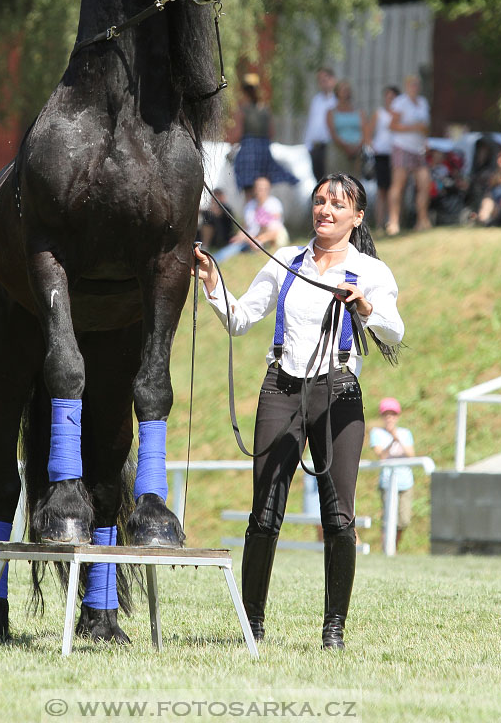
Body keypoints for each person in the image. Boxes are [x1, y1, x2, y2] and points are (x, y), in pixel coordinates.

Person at [193, 173, 404, 650]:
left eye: (337, 203)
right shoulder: (284, 262)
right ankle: (252, 625)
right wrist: (212, 283)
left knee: (339, 517)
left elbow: (394, 330)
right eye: (320, 201)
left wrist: (365, 307)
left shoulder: (371, 270)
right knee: (264, 513)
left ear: (357, 216)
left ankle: (334, 629)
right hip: (281, 390)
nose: (325, 209)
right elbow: (241, 320)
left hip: (339, 395)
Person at [232, 73, 299, 195]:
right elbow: (271, 133)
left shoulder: (242, 110)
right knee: (262, 187)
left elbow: (237, 134)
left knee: (248, 189)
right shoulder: (265, 109)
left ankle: (250, 211)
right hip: (264, 151)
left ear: (243, 90)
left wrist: (230, 142)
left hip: (248, 152)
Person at [386, 75, 431, 235]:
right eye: (412, 84)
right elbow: (392, 125)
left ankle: (422, 220)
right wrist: (414, 127)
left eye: (417, 84)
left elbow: (425, 127)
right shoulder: (400, 102)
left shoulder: (423, 102)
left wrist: (424, 133)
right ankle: (393, 222)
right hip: (402, 147)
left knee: (424, 183)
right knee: (398, 185)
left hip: (418, 148)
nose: (415, 86)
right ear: (406, 86)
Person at [369, 398, 415, 550]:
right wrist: (391, 441)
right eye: (386, 414)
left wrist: (397, 437)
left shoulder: (405, 433)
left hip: (405, 481)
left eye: (393, 414)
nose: (390, 418)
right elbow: (381, 455)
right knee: (388, 519)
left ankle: (393, 547)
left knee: (404, 521)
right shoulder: (376, 433)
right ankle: (386, 549)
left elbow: (411, 454)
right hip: (387, 482)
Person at [214, 176, 289, 264]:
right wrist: (240, 236)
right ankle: (212, 260)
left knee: (273, 228)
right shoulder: (249, 206)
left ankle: (257, 243)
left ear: (267, 189)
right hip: (249, 238)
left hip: (267, 238)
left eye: (262, 188)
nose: (259, 191)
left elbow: (275, 226)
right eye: (257, 188)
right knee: (232, 248)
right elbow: (245, 226)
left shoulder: (274, 203)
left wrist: (257, 238)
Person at [366, 86, 400, 229]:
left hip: (396, 154)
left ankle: (394, 220)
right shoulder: (379, 113)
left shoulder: (400, 114)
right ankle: (380, 222)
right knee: (382, 190)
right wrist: (374, 147)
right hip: (381, 154)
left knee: (396, 188)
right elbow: (368, 133)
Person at [326, 80, 367, 178]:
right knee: (337, 180)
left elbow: (365, 130)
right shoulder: (331, 112)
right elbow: (333, 133)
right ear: (337, 93)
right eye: (343, 90)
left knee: (355, 179)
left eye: (347, 90)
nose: (346, 92)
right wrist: (346, 147)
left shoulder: (359, 111)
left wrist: (358, 146)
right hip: (339, 150)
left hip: (357, 150)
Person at [303, 67, 337, 183]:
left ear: (333, 80)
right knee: (319, 180)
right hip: (316, 146)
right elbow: (312, 122)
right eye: (320, 80)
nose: (323, 83)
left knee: (331, 180)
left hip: (331, 145)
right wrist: (307, 144)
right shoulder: (316, 100)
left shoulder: (336, 100)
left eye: (325, 79)